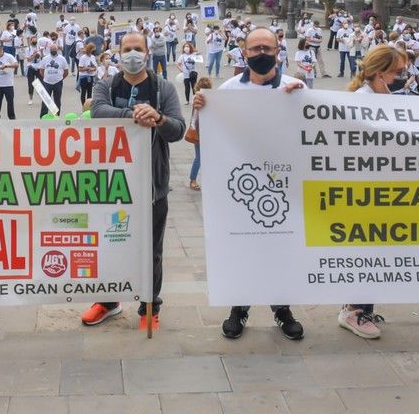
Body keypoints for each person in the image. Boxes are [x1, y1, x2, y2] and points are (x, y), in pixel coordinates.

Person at [192, 27, 306, 341]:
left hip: (283, 187)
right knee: (241, 246)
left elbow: (310, 131)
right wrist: (202, 109)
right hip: (241, 187)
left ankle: (282, 309)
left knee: (279, 248)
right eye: (254, 49)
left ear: (278, 51)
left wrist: (300, 100)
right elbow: (207, 134)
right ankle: (238, 308)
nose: (260, 54)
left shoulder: (294, 86)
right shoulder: (228, 88)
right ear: (243, 52)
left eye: (266, 48)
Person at [80, 31, 185, 330]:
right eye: (127, 49)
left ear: (148, 52)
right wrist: (134, 114)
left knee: (151, 249)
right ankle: (109, 301)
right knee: (108, 245)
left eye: (138, 48)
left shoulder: (163, 88)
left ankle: (149, 307)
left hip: (152, 184)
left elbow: (178, 129)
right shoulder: (107, 85)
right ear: (118, 52)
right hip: (112, 183)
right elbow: (97, 111)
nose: (133, 54)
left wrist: (159, 118)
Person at [338, 44, 408, 339]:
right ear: (380, 74)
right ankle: (354, 310)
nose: (403, 77)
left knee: (377, 250)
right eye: (398, 72)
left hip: (383, 189)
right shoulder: (361, 102)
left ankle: (361, 307)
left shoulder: (383, 96)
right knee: (367, 251)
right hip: (363, 192)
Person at [187, 77, 213, 189]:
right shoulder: (200, 97)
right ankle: (193, 179)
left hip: (202, 130)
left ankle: (194, 179)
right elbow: (196, 116)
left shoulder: (196, 97)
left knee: (201, 157)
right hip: (201, 130)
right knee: (200, 157)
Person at [37, 43, 69, 116]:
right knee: (46, 100)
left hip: (58, 83)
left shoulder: (62, 59)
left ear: (57, 50)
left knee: (57, 101)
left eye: (54, 50)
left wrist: (60, 78)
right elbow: (41, 70)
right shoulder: (45, 58)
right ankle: (43, 116)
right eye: (51, 50)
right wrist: (45, 77)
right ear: (49, 50)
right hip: (47, 83)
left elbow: (66, 71)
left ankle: (56, 116)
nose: (53, 51)